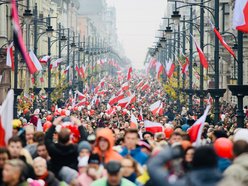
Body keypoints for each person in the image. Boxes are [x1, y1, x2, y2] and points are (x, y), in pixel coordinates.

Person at [148, 145, 222, 186]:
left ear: (195, 160)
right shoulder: (227, 181)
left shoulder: (183, 183)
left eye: (192, 155)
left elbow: (153, 166)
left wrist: (174, 151)